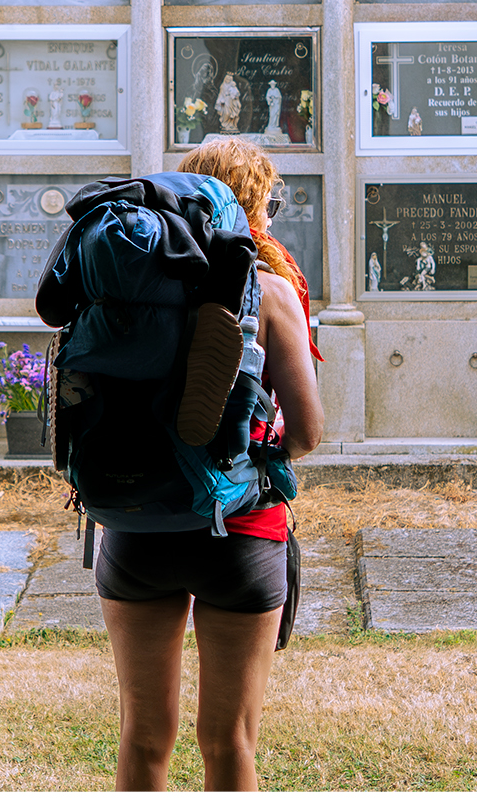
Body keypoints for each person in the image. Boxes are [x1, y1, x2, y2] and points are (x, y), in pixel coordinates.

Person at [94, 137, 324, 792]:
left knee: (142, 737)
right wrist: (258, 455)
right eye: (269, 200)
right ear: (251, 204)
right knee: (229, 741)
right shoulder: (271, 289)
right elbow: (308, 432)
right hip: (241, 532)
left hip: (137, 521)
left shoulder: (131, 283)